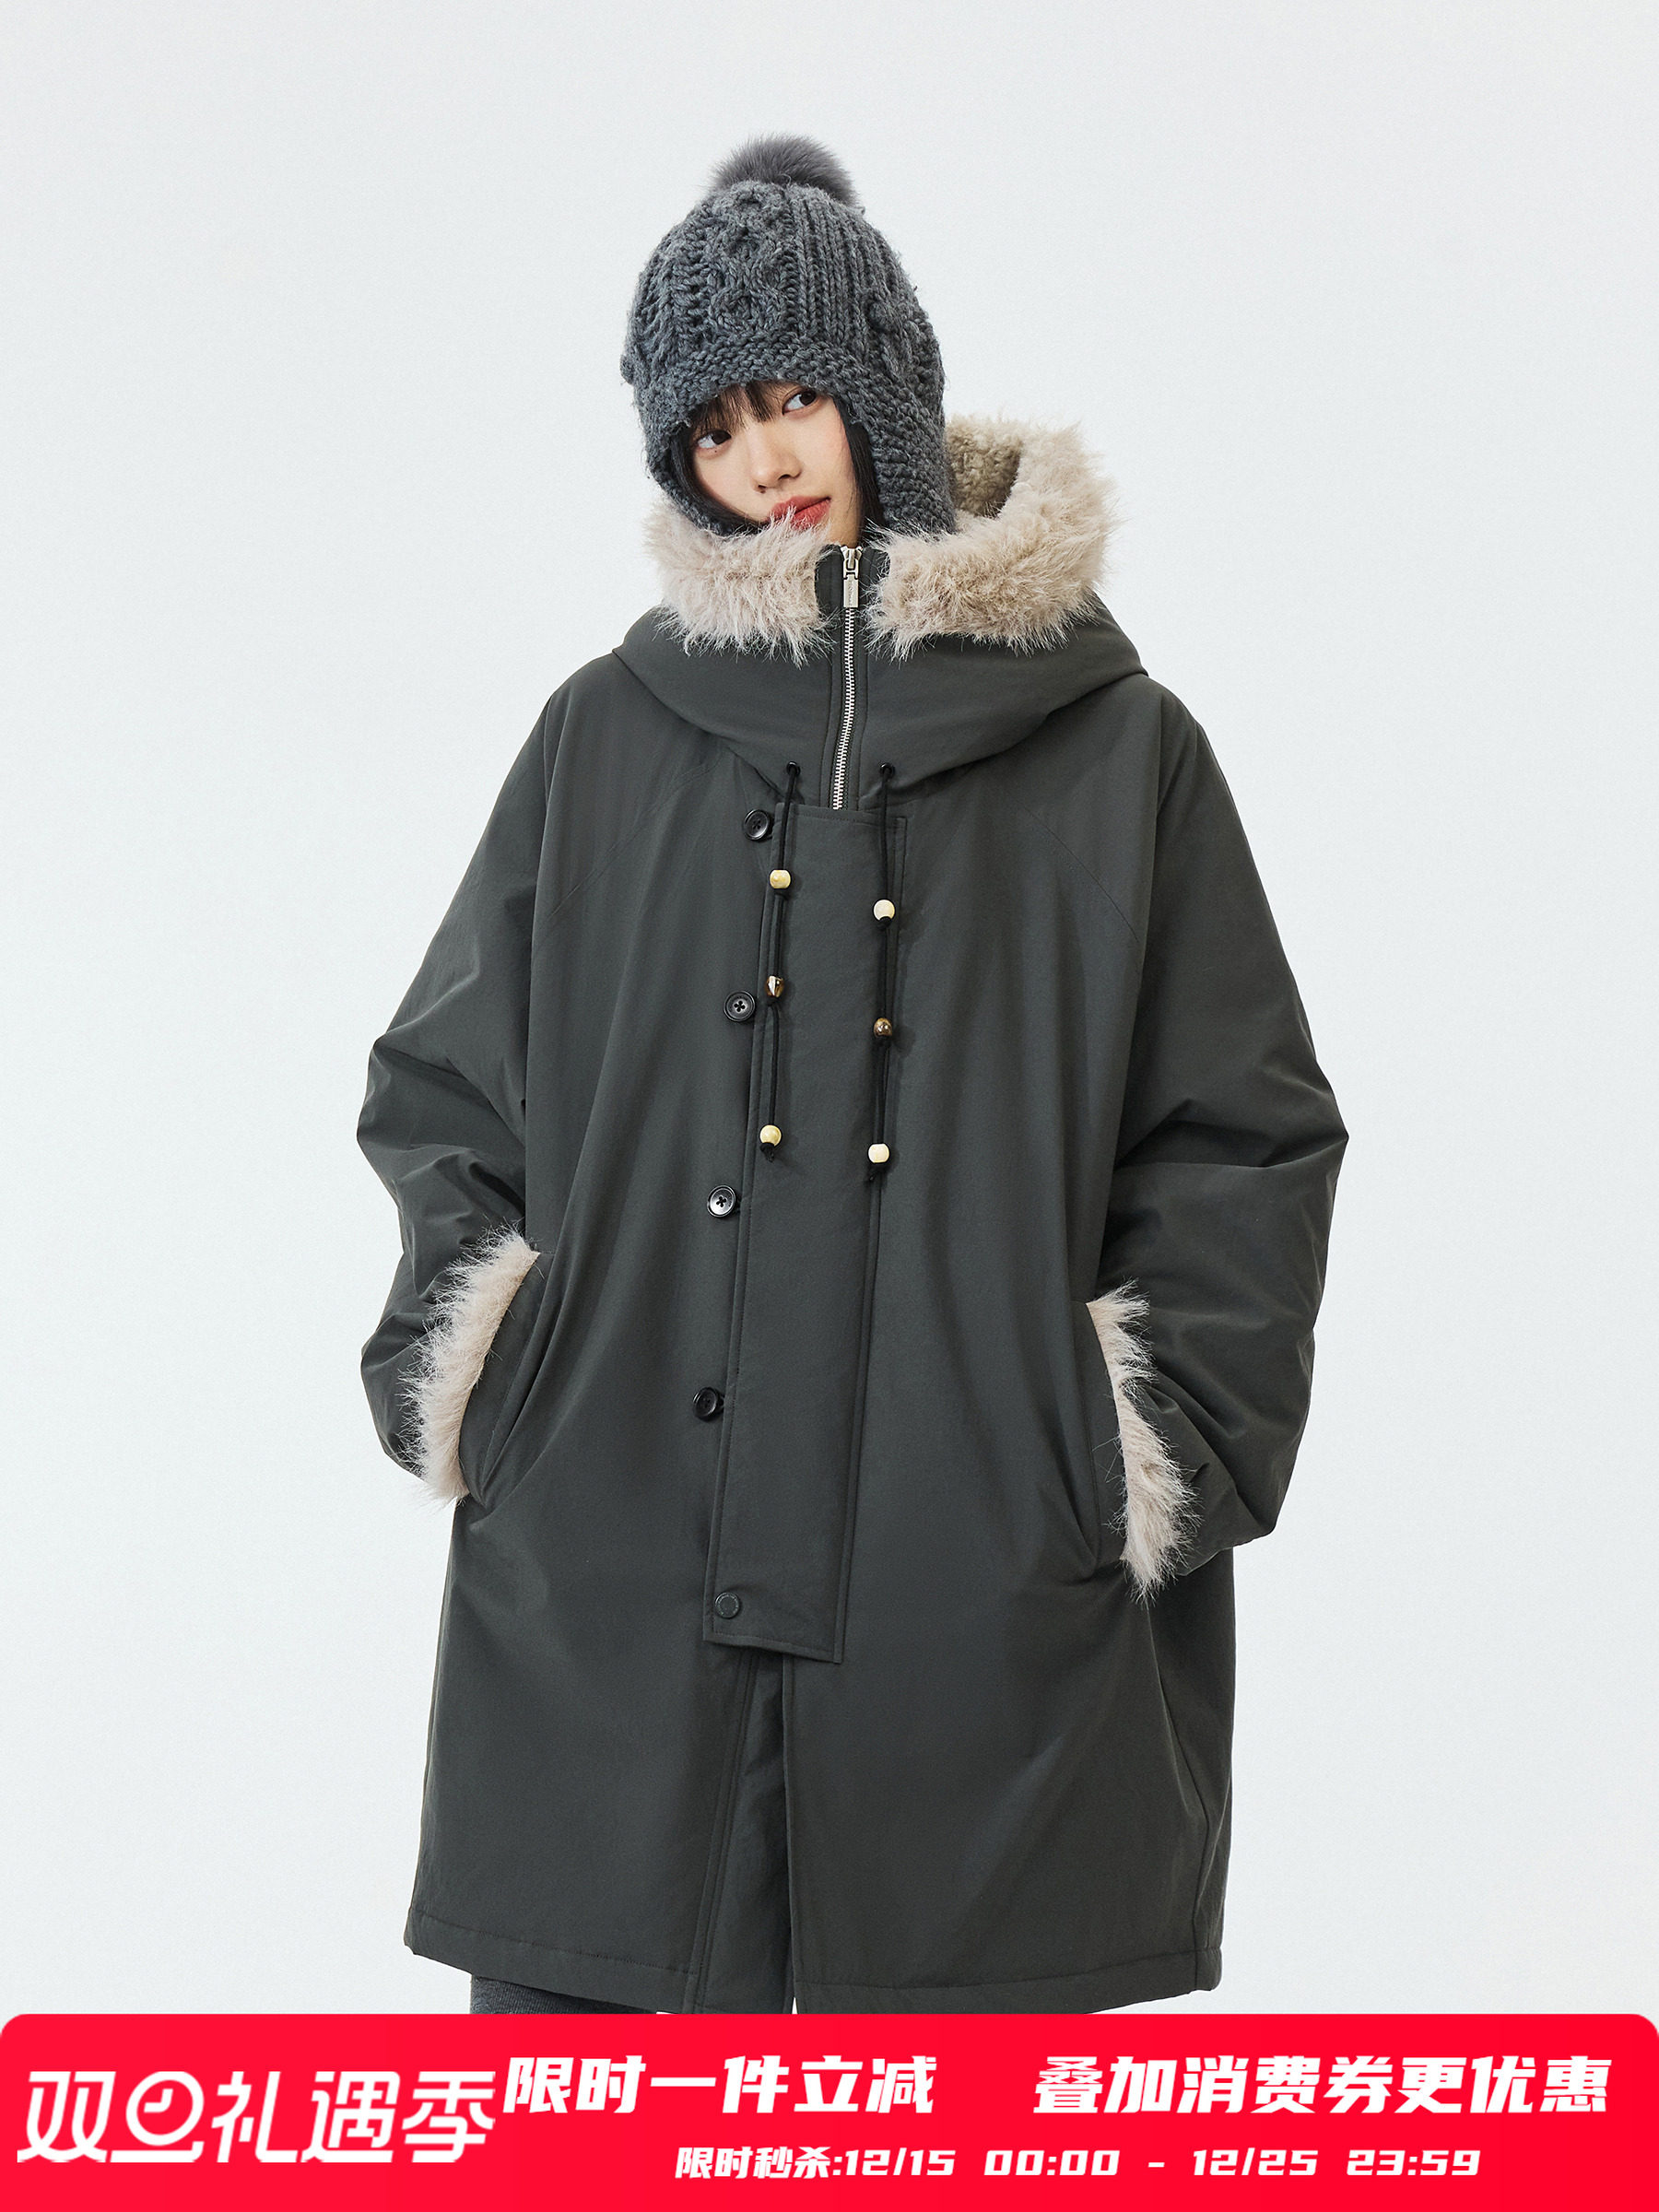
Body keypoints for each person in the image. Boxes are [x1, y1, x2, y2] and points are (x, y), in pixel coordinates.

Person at [358, 135, 1346, 2017]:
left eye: (792, 396)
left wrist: (1139, 1447)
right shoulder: (605, 736)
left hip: (986, 1590)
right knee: (603, 2120)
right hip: (619, 1569)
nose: (762, 459)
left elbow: (1243, 1133)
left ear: (880, 388)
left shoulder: (1117, 752)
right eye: (713, 425)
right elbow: (446, 1091)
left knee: (958, 2114)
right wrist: (495, 1375)